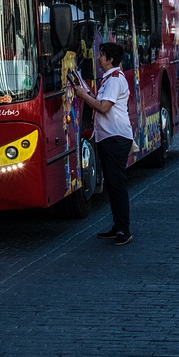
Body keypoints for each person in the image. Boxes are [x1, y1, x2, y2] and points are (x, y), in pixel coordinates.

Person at [69, 42, 134, 246]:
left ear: (110, 59)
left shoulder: (114, 80)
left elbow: (104, 107)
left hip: (116, 136)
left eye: (102, 55)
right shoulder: (109, 79)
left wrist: (84, 95)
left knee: (117, 184)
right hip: (108, 136)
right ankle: (118, 226)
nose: (98, 58)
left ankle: (124, 229)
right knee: (113, 185)